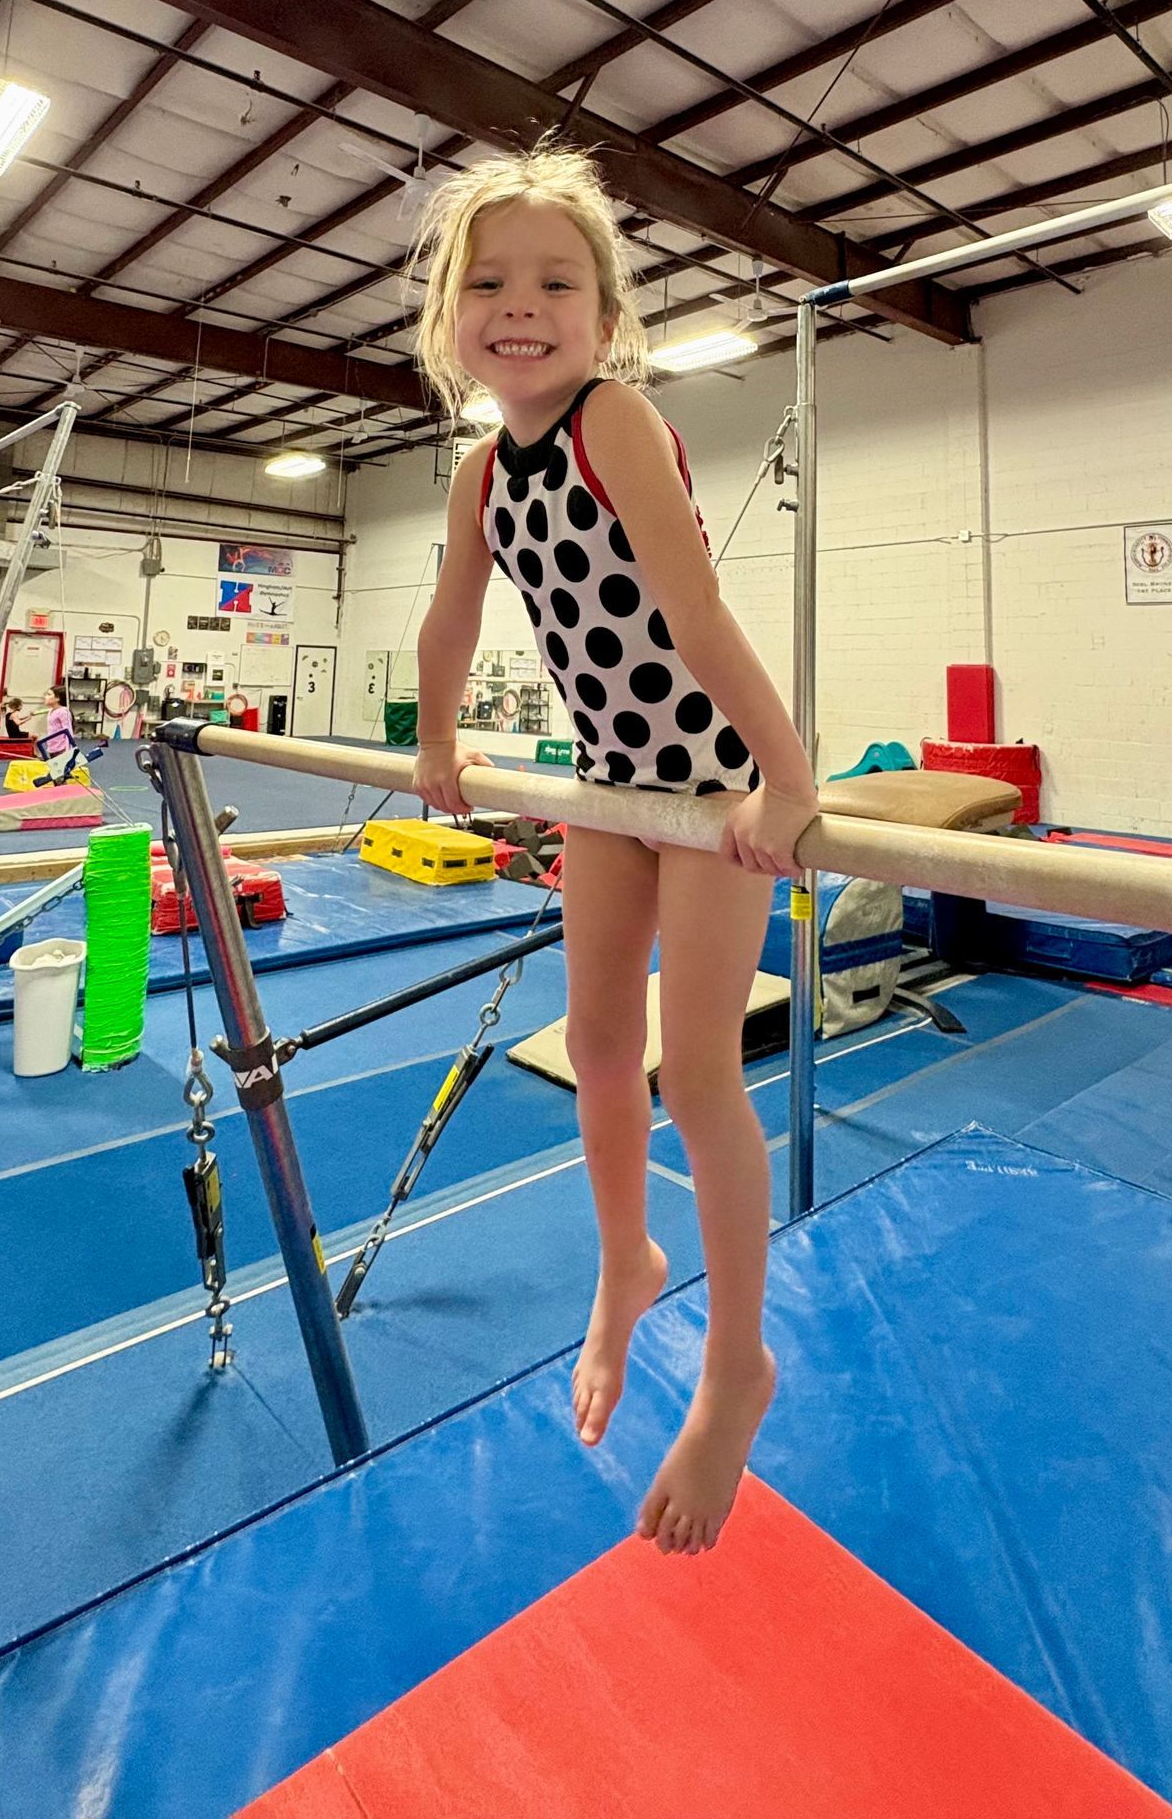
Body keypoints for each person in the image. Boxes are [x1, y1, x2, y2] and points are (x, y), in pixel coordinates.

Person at [409, 145, 818, 1557]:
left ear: (605, 313)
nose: (521, 306)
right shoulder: (478, 471)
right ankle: (627, 1262)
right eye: (492, 282)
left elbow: (695, 617)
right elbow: (453, 618)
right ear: (450, 309)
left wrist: (786, 778)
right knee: (595, 1046)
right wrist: (439, 742)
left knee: (696, 1068)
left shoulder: (613, 422)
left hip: (706, 780)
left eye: (557, 283)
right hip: (607, 779)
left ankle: (737, 1368)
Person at [38, 689, 78, 783]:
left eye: (49, 694)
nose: (45, 697)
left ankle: (65, 795)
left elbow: (68, 731)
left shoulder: (63, 712)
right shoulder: (51, 711)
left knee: (60, 777)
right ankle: (60, 794)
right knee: (56, 778)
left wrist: (69, 751)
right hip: (53, 748)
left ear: (57, 698)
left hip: (62, 749)